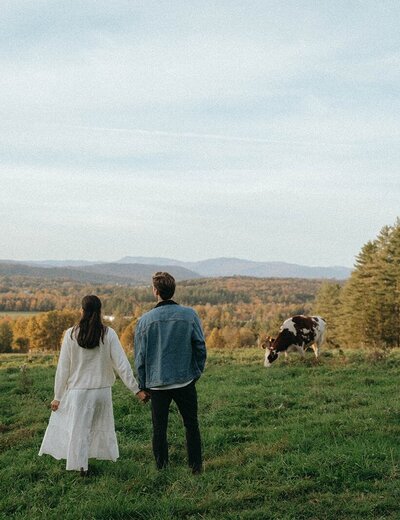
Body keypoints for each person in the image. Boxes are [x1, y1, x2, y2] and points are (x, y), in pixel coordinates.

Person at [39, 295, 148, 475]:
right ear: (99, 311)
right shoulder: (108, 334)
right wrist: (136, 390)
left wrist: (58, 397)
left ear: (82, 310)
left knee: (78, 430)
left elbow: (63, 369)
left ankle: (81, 467)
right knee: (100, 427)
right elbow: (122, 365)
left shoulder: (71, 334)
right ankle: (94, 459)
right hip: (102, 392)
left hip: (78, 392)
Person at [134, 272, 207, 474]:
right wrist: (196, 371)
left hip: (157, 384)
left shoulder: (145, 320)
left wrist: (143, 385)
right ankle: (196, 467)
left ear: (155, 291)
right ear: (173, 290)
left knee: (159, 429)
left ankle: (162, 468)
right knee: (191, 425)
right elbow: (200, 346)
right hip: (185, 380)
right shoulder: (190, 315)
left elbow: (140, 357)